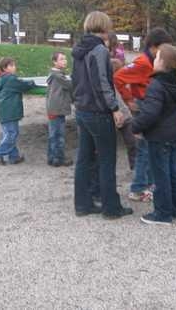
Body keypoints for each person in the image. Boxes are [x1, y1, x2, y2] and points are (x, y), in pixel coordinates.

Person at [71, 11, 133, 219]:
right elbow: (102, 83)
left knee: (84, 159)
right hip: (98, 112)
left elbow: (75, 80)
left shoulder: (79, 49)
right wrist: (114, 108)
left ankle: (83, 204)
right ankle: (111, 208)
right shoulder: (99, 50)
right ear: (104, 27)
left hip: (82, 109)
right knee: (107, 160)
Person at [114, 28, 173, 202]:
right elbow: (117, 78)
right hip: (144, 107)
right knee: (145, 149)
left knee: (152, 146)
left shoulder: (155, 61)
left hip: (152, 107)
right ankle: (138, 188)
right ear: (154, 47)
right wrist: (128, 99)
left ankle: (149, 184)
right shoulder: (142, 63)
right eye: (163, 48)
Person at [132, 44, 176, 225]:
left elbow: (150, 113)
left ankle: (163, 213)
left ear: (163, 62)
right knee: (174, 170)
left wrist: (135, 126)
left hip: (160, 135)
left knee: (160, 174)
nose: (153, 60)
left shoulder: (157, 84)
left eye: (156, 58)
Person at [0, 57, 36, 165]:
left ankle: (14, 157)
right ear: (4, 68)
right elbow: (24, 86)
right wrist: (32, 82)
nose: (14, 67)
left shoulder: (0, 79)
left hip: (3, 111)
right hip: (10, 111)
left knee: (8, 133)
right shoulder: (11, 79)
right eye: (11, 65)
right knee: (12, 133)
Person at [46, 52, 73, 167]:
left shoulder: (56, 74)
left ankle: (52, 158)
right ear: (54, 62)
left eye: (65, 59)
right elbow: (71, 85)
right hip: (57, 109)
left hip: (54, 108)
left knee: (53, 134)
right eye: (61, 59)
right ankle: (59, 159)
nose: (64, 61)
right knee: (58, 135)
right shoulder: (58, 75)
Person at [111, 58, 137, 170]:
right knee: (131, 142)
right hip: (120, 115)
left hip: (125, 115)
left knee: (132, 142)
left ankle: (134, 165)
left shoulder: (121, 82)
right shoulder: (113, 84)